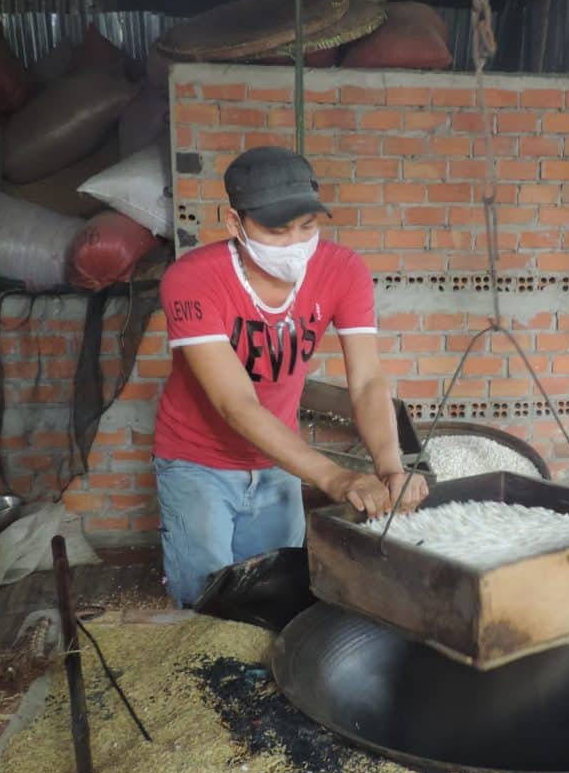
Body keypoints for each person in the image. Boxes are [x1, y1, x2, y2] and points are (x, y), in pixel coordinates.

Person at [154, 145, 428, 606]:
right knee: (206, 602)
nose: (296, 243)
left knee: (279, 593)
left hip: (280, 460)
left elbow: (366, 381)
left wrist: (390, 466)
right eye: (277, 230)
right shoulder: (192, 280)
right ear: (235, 224)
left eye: (307, 226)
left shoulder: (343, 271)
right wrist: (336, 478)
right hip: (197, 465)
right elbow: (234, 403)